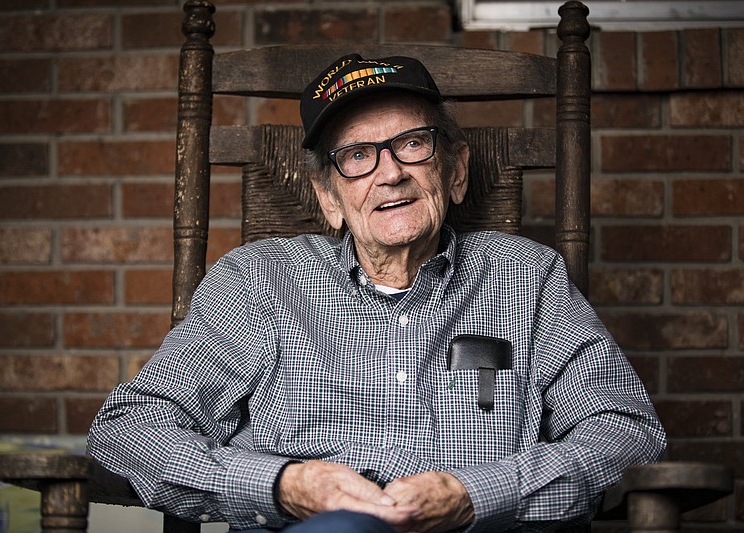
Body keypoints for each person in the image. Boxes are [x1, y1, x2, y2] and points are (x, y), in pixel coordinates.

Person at [88, 53, 666, 533]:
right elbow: (128, 429)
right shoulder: (260, 281)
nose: (389, 173)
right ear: (330, 200)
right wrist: (284, 485)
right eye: (358, 157)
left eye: (412, 143)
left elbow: (628, 432)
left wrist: (475, 495)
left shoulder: (525, 276)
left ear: (457, 171)